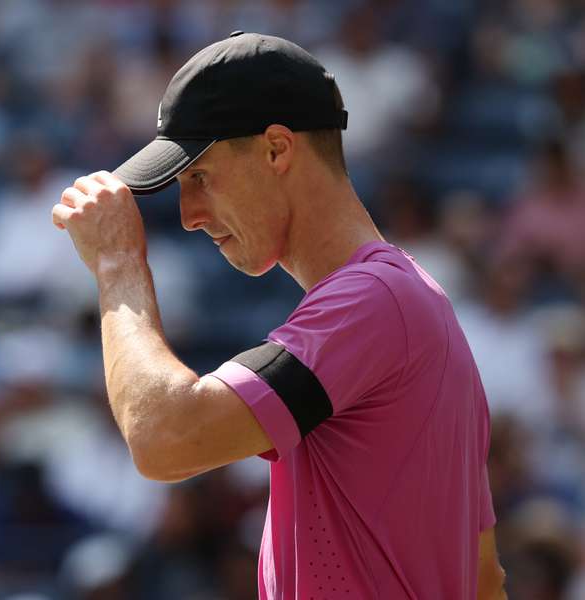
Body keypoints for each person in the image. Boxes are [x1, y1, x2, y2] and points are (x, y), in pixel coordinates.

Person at [51, 32, 507, 599]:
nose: (189, 215)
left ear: (276, 149)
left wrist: (118, 264)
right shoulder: (413, 301)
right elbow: (484, 578)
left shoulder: (373, 301)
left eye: (199, 176)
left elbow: (165, 437)